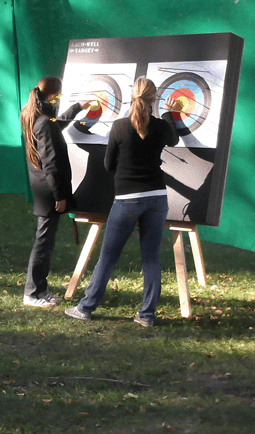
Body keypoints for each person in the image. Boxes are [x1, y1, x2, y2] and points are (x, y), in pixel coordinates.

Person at [66, 77, 181, 327]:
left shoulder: (119, 126)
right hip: (157, 198)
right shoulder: (161, 126)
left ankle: (85, 308)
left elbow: (109, 165)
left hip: (127, 199)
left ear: (132, 96)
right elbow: (173, 141)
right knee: (151, 258)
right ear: (154, 99)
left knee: (108, 257)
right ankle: (147, 315)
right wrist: (171, 113)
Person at [20, 76, 94, 307]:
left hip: (43, 187)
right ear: (52, 96)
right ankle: (32, 293)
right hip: (49, 190)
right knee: (43, 242)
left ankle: (40, 290)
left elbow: (55, 125)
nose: (59, 100)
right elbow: (51, 163)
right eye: (59, 96)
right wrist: (60, 196)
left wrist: (77, 108)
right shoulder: (42, 122)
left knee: (46, 241)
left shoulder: (36, 117)